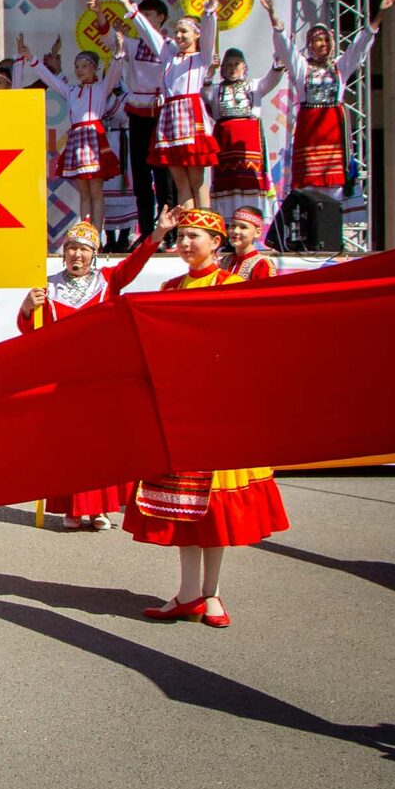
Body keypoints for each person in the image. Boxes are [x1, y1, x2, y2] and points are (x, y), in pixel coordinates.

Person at [125, 207, 288, 627]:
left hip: (219, 410)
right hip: (180, 410)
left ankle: (212, 594)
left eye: (194, 235)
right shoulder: (168, 287)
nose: (185, 243)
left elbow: (251, 347)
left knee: (213, 507)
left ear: (217, 243)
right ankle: (186, 593)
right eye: (180, 236)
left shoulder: (234, 286)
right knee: (185, 506)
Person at [17, 211, 172, 529]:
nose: (77, 254)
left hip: (102, 377)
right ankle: (74, 509)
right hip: (66, 379)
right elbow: (32, 334)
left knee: (102, 445)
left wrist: (156, 235)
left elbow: (134, 263)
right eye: (72, 247)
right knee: (72, 445)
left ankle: (100, 508)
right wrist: (27, 308)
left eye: (84, 249)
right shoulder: (47, 288)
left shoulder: (108, 281)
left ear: (94, 254)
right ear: (63, 253)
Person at [262, 0, 395, 193]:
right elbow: (285, 47)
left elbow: (359, 46)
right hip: (310, 132)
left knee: (334, 186)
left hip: (333, 132)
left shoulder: (340, 67)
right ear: (310, 44)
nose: (322, 44)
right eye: (317, 40)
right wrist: (273, 15)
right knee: (309, 189)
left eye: (326, 40)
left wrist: (379, 15)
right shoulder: (302, 68)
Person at [115, 0, 221, 209]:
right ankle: (186, 230)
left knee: (196, 179)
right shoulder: (169, 57)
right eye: (177, 32)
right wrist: (130, 9)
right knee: (180, 180)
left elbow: (210, 34)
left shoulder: (202, 58)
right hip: (170, 118)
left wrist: (210, 10)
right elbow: (150, 35)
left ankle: (203, 228)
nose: (180, 36)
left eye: (185, 32)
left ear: (197, 34)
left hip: (191, 117)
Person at [20, 31, 126, 236]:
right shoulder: (70, 91)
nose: (79, 70)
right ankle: (85, 234)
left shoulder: (101, 88)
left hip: (94, 139)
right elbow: (50, 79)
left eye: (84, 66)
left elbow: (114, 72)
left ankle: (97, 235)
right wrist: (30, 57)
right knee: (84, 192)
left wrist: (118, 53)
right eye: (77, 66)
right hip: (78, 140)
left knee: (96, 190)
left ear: (94, 68)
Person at [91, 0, 178, 238]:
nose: (146, 20)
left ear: (161, 18)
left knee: (164, 175)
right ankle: (147, 232)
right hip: (138, 111)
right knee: (140, 174)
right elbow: (110, 41)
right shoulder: (133, 44)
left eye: (150, 15)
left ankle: (169, 233)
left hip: (161, 111)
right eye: (144, 15)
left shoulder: (169, 45)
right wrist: (99, 13)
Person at [203, 47, 282, 220]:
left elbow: (272, 79)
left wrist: (279, 63)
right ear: (222, 69)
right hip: (225, 141)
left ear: (244, 67)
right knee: (227, 182)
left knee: (248, 181)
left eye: (236, 64)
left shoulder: (254, 86)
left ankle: (250, 222)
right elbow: (205, 94)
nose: (232, 68)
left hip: (249, 141)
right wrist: (209, 73)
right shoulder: (216, 89)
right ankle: (228, 223)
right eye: (228, 65)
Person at [222, 206, 277, 280]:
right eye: (233, 226)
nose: (235, 231)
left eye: (243, 227)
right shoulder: (224, 261)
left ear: (258, 232)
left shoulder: (262, 264)